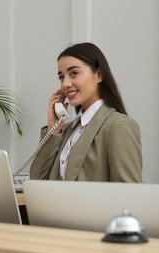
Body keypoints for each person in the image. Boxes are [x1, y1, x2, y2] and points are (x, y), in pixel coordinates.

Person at [29, 42, 142, 182]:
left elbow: (128, 192)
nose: (65, 84)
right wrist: (53, 130)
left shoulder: (119, 125)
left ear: (99, 75)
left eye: (74, 73)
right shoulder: (65, 131)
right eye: (61, 77)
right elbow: (36, 180)